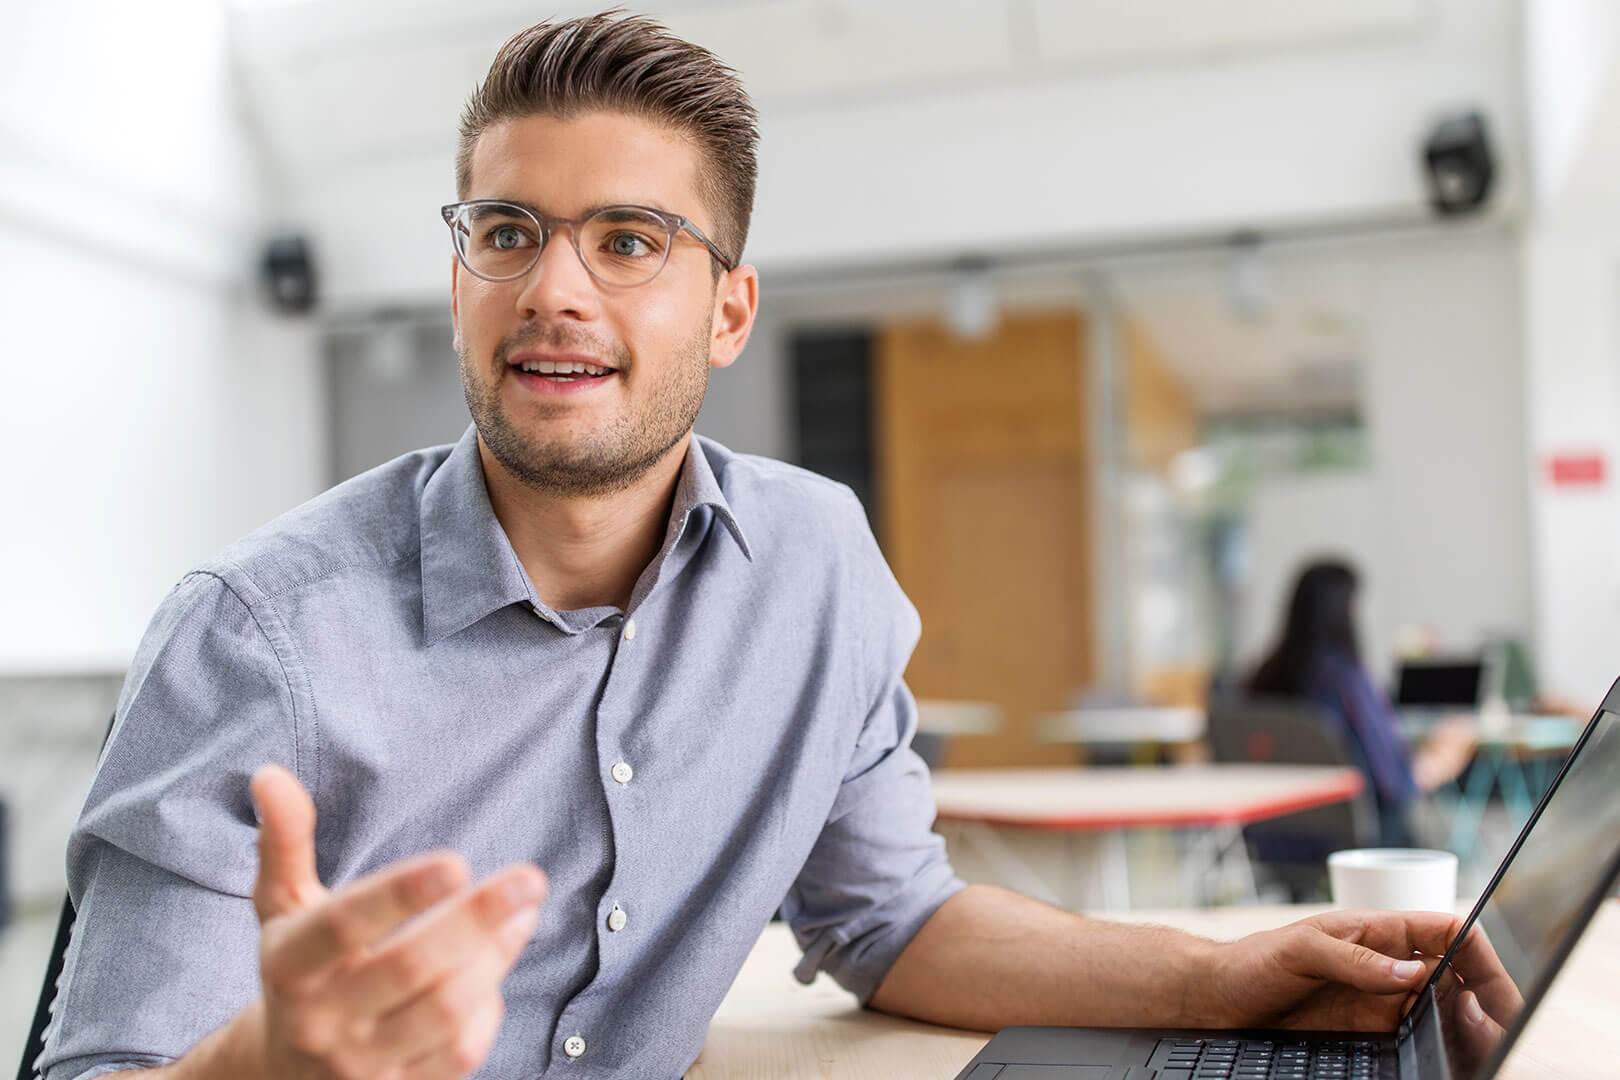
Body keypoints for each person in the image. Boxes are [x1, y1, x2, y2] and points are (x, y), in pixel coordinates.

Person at [39, 15, 1491, 1080]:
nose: (554, 289)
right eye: (508, 230)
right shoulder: (257, 636)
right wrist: (266, 1070)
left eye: (628, 241)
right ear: (462, 268)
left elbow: (896, 920)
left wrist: (1234, 979)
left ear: (730, 312)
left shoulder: (814, 562)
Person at [1247, 560, 1477, 847]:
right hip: (1359, 846)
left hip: (1276, 841)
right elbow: (1396, 783)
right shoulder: (1347, 682)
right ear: (1345, 611)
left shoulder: (1260, 678)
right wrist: (1443, 758)